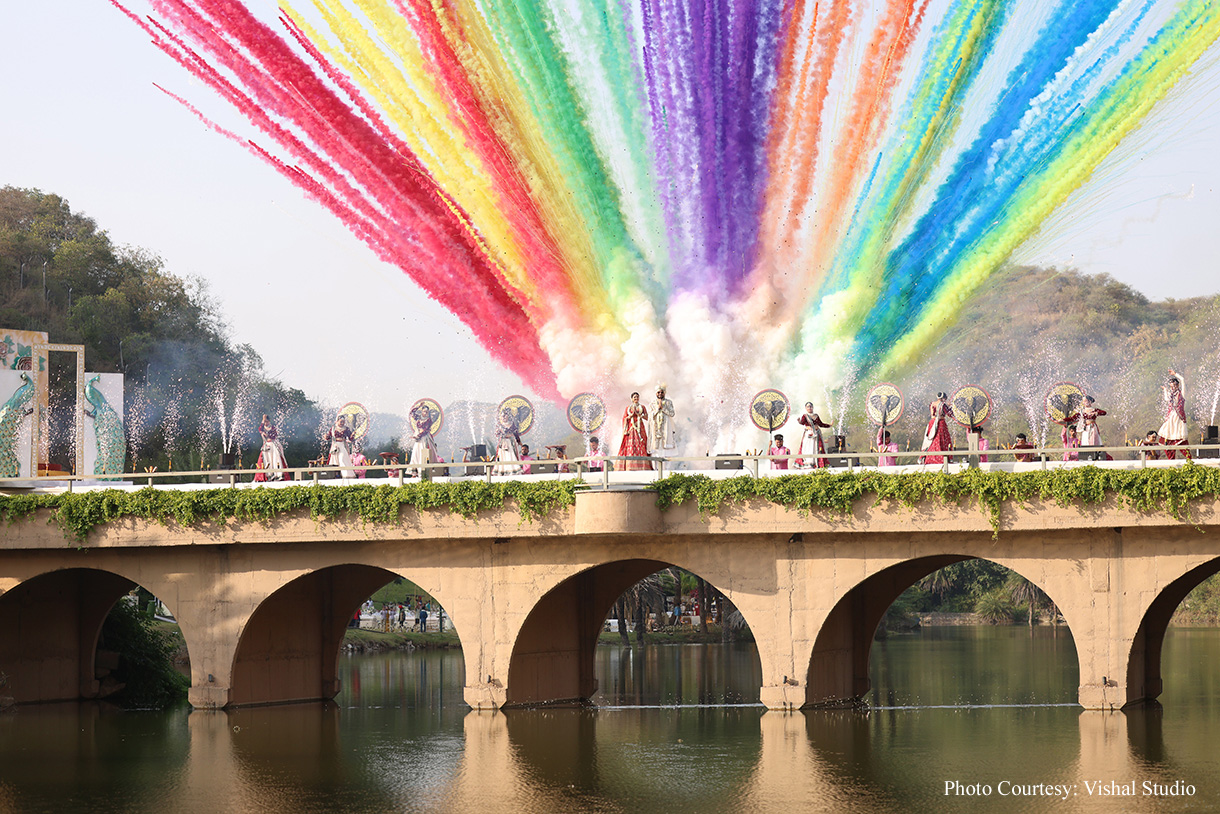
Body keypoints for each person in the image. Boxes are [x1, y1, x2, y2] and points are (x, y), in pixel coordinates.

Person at [1158, 369, 1190, 459]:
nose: (1173, 387)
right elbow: (1166, 399)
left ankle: (1188, 458)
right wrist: (1165, 390)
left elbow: (1183, 380)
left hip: (1178, 418)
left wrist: (1175, 374)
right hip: (1170, 418)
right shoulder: (1171, 395)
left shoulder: (1182, 394)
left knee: (1180, 438)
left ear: (1178, 385)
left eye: (1174, 385)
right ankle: (1171, 458)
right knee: (1167, 437)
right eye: (1171, 386)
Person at [618, 392, 651, 470]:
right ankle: (630, 465)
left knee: (641, 444)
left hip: (640, 428)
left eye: (637, 397)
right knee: (631, 445)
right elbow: (624, 418)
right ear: (631, 399)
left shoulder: (642, 407)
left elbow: (647, 417)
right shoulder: (628, 408)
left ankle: (643, 466)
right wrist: (631, 416)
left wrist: (640, 415)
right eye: (634, 397)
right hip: (631, 428)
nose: (636, 399)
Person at [795, 402, 832, 468]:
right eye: (808, 407)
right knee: (808, 448)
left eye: (811, 406)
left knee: (817, 448)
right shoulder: (805, 416)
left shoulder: (816, 416)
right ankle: (809, 463)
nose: (809, 408)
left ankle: (818, 463)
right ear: (806, 408)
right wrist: (799, 421)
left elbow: (821, 424)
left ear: (813, 407)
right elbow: (802, 423)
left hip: (817, 434)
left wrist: (829, 425)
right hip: (809, 434)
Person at [409, 402, 440, 476]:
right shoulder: (418, 418)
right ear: (422, 411)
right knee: (416, 453)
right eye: (424, 411)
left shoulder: (428, 420)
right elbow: (411, 413)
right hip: (418, 438)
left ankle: (423, 471)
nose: (425, 413)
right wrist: (419, 406)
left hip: (424, 438)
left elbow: (425, 430)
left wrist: (418, 436)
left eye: (427, 412)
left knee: (423, 452)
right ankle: (415, 471)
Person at [922, 392, 954, 464]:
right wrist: (951, 407)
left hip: (932, 422)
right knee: (941, 439)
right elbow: (950, 414)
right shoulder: (943, 405)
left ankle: (928, 457)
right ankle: (941, 457)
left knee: (931, 440)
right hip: (940, 423)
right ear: (944, 398)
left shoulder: (932, 404)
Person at [254, 414, 287, 482]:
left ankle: (278, 474)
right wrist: (263, 420)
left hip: (272, 444)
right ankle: (269, 475)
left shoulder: (272, 428)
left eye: (267, 421)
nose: (266, 423)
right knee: (267, 460)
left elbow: (274, 435)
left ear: (269, 421)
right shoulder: (262, 428)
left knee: (276, 458)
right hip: (266, 445)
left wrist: (268, 435)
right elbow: (260, 428)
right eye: (265, 422)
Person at [493, 406, 523, 474]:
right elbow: (497, 434)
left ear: (508, 416)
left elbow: (516, 433)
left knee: (511, 455)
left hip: (511, 442)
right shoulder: (499, 425)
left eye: (505, 415)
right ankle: (503, 470)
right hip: (503, 443)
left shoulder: (512, 424)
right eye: (502, 416)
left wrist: (519, 442)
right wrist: (500, 433)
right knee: (503, 456)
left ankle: (513, 469)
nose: (503, 417)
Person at [652, 384, 677, 451]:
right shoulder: (653, 403)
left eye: (662, 392)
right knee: (656, 448)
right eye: (658, 392)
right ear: (656, 393)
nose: (660, 394)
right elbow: (650, 416)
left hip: (666, 426)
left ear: (664, 393)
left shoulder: (668, 402)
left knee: (666, 447)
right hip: (656, 427)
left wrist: (663, 409)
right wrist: (657, 409)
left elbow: (672, 413)